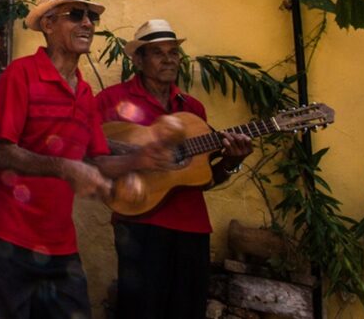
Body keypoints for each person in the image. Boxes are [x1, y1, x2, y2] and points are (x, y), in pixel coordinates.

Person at [0, 0, 173, 319]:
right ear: (48, 24)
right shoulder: (21, 74)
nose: (87, 24)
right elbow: (3, 153)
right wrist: (65, 167)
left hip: (59, 244)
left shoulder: (85, 92)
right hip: (6, 238)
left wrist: (140, 158)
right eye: (76, 15)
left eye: (91, 17)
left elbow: (94, 159)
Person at [96, 19, 253, 319]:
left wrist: (232, 162)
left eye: (174, 52)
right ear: (138, 60)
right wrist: (139, 158)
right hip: (139, 223)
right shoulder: (111, 100)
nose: (169, 59)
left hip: (192, 228)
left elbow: (203, 180)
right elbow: (88, 153)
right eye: (158, 53)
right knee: (140, 312)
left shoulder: (193, 110)